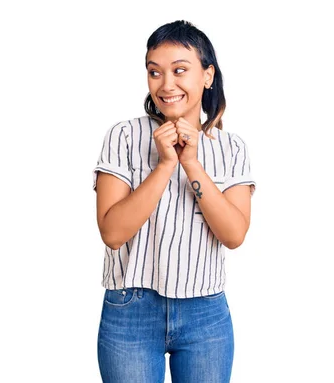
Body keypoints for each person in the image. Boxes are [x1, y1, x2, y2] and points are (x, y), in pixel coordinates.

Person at [92, 20, 256, 383]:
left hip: (205, 314)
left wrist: (191, 162)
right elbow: (113, 233)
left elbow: (233, 234)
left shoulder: (230, 148)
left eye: (180, 70)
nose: (166, 84)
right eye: (155, 72)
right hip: (130, 310)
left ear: (207, 75)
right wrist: (166, 163)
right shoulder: (124, 136)